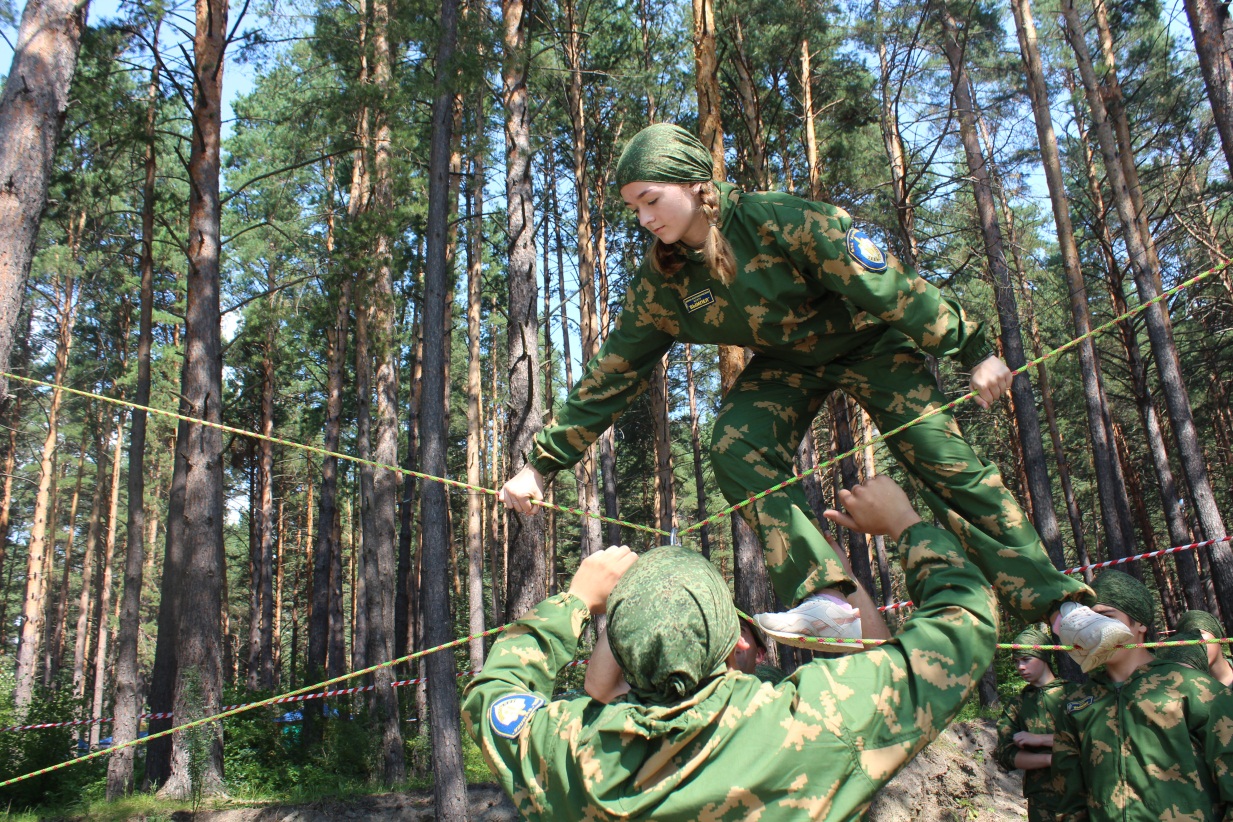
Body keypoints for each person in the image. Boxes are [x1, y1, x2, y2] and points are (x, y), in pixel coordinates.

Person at [498, 122, 1130, 669]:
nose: (644, 218)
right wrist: (542, 464)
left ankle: (1063, 608)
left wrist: (972, 348)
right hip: (789, 365)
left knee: (945, 461)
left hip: (870, 344)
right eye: (634, 207)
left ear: (694, 183)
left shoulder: (779, 221)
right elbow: (613, 373)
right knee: (735, 446)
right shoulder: (662, 280)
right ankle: (829, 599)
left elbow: (888, 287)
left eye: (651, 199)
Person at [464, 476, 1002, 820]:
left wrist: (578, 600)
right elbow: (964, 625)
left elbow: (494, 694)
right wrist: (906, 525)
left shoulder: (570, 753)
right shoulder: (809, 720)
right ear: (730, 643)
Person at [1051, 570, 1233, 821]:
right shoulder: (1077, 704)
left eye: (1105, 616)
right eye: (1087, 619)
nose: (1092, 629)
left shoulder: (1193, 689)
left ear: (1140, 624)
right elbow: (1069, 801)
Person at [994, 624, 1068, 822]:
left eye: (1026, 659)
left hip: (1082, 794)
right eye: (1017, 661)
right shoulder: (1017, 705)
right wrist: (1051, 760)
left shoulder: (1075, 695)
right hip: (1041, 802)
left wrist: (1042, 740)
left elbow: (1093, 740)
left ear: (1044, 657)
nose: (1020, 667)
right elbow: (1005, 754)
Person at [1176, 609, 1232, 686]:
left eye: (1198, 633)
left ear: (1217, 635)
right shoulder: (1185, 687)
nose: (1194, 643)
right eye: (1186, 637)